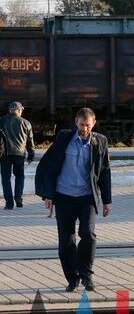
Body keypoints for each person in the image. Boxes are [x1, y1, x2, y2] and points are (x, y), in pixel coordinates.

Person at [34, 108, 111, 292]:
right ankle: (72, 278)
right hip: (64, 196)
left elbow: (105, 171)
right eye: (81, 124)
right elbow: (50, 165)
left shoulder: (100, 141)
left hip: (87, 197)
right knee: (66, 243)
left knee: (88, 234)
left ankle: (86, 275)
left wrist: (107, 200)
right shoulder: (64, 138)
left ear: (93, 123)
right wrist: (48, 195)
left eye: (88, 125)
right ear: (76, 122)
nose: (85, 129)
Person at [0, 102, 35, 209]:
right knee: (19, 176)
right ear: (19, 111)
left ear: (10, 110)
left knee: (5, 178)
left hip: (4, 154)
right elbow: (30, 141)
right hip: (19, 154)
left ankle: (9, 203)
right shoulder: (26, 123)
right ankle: (18, 198)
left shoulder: (1, 120)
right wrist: (31, 155)